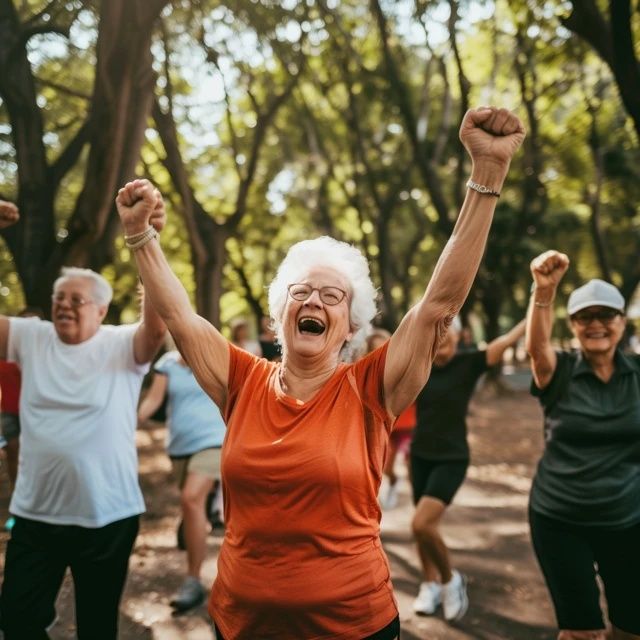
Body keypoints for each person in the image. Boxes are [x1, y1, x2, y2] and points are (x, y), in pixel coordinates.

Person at [115, 105, 525, 640]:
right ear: (277, 316)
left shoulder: (372, 387)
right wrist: (141, 236)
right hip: (242, 623)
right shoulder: (240, 380)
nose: (314, 300)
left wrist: (486, 176)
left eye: (332, 296)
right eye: (300, 292)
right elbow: (179, 316)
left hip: (355, 625)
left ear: (349, 324)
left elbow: (437, 306)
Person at [0, 198, 166, 639]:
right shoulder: (32, 338)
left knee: (96, 626)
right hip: (36, 516)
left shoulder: (120, 345)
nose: (64, 306)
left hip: (107, 517)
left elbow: (159, 323)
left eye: (76, 299)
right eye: (58, 298)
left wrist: (147, 239)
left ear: (101, 310)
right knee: (16, 621)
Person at [526, 251, 640, 640]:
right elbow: (536, 348)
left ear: (622, 322)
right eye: (585, 317)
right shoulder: (557, 371)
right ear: (573, 326)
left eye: (606, 315)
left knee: (629, 629)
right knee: (582, 633)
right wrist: (544, 291)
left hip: (628, 519)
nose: (596, 324)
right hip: (560, 519)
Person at [410, 316, 525, 620]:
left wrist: (538, 303)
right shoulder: (419, 365)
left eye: (449, 332)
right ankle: (429, 583)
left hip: (452, 458)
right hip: (419, 455)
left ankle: (450, 580)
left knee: (421, 524)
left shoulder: (470, 363)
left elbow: (507, 340)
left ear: (460, 335)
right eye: (437, 332)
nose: (442, 337)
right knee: (423, 531)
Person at [137, 346, 227, 612]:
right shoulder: (167, 363)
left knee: (190, 498)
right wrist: (133, 419)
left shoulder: (215, 355)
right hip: (179, 448)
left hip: (214, 442)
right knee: (193, 504)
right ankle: (203, 512)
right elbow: (155, 399)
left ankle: (193, 580)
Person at [0, 307, 43, 533]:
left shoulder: (43, 355)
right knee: (14, 458)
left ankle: (38, 509)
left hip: (36, 414)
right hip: (9, 412)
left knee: (35, 460)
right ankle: (18, 512)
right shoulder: (5, 352)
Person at [366, 328, 417, 511]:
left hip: (409, 425)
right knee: (386, 467)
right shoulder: (366, 376)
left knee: (412, 465)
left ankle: (419, 503)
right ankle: (394, 481)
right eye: (374, 350)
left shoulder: (405, 369)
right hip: (387, 428)